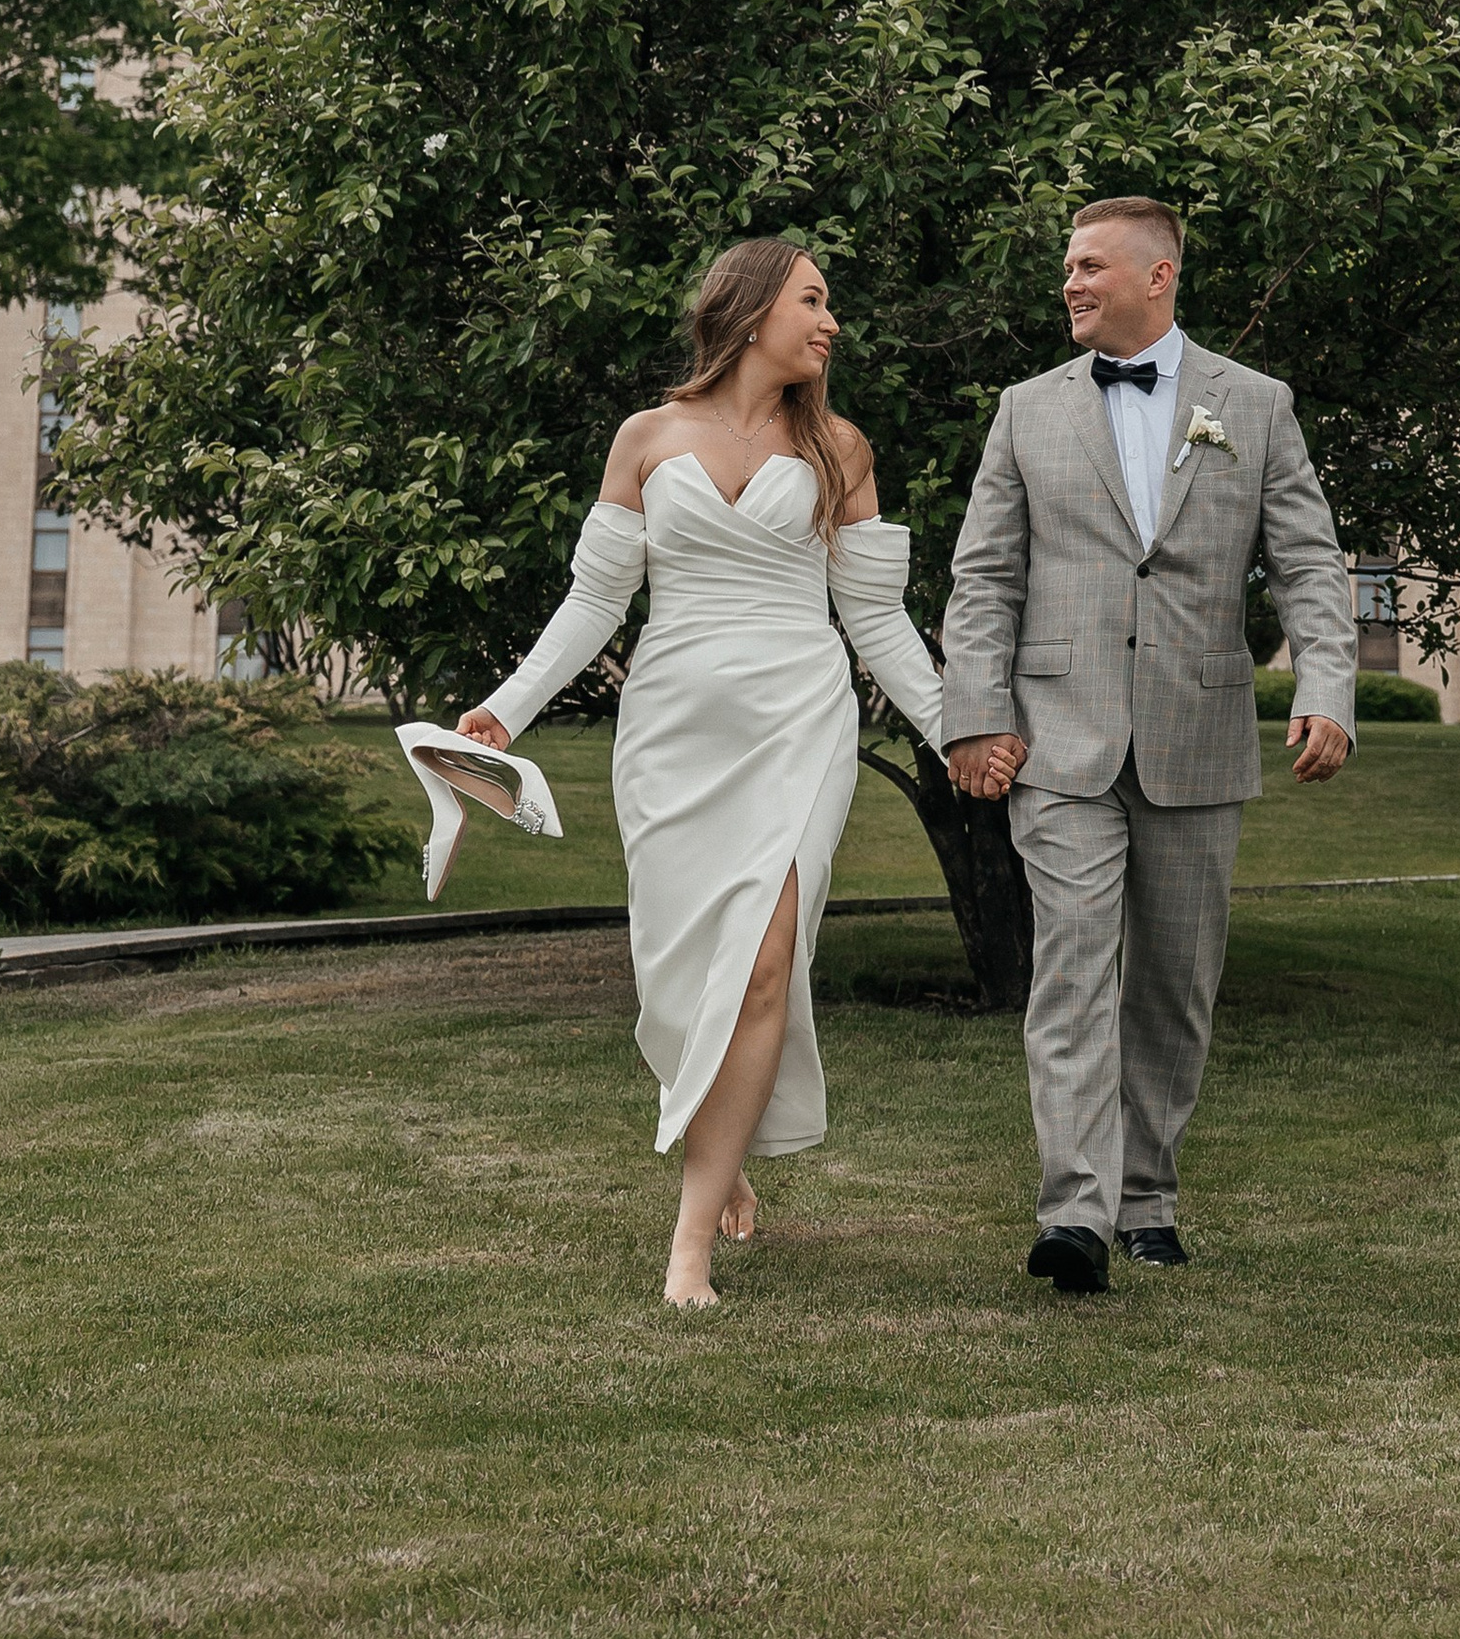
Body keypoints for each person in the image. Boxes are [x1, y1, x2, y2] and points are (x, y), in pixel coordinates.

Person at [456, 238, 944, 1308]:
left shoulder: (840, 448)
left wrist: (959, 732)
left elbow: (875, 619)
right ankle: (724, 1147)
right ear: (752, 308)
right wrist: (507, 708)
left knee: (766, 961)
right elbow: (596, 602)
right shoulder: (647, 437)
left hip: (798, 724)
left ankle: (688, 1248)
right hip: (673, 730)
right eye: (813, 300)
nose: (831, 322)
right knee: (682, 974)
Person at [941, 195, 1358, 1290]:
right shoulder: (1026, 409)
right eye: (1068, 267)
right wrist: (975, 713)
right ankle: (1074, 1215)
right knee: (1073, 972)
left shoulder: (1255, 404)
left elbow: (1308, 564)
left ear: (1157, 275)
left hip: (1197, 733)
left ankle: (1147, 1199)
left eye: (1089, 265)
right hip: (1060, 741)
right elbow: (983, 577)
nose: (1070, 283)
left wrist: (1328, 686)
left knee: (1174, 985)